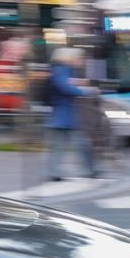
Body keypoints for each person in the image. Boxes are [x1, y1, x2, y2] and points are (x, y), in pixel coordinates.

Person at [46, 48, 98, 180]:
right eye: (79, 58)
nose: (81, 61)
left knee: (66, 145)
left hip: (65, 116)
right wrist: (86, 91)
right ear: (69, 58)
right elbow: (64, 86)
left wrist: (80, 84)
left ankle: (54, 172)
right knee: (78, 144)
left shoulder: (62, 69)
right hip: (63, 116)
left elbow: (66, 83)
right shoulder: (61, 69)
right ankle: (89, 170)